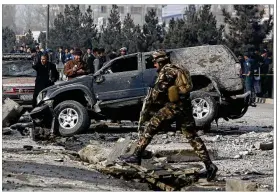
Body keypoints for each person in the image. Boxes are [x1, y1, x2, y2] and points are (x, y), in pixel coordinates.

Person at [119, 50, 218, 181]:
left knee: (150, 127)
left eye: (154, 62)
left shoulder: (166, 72)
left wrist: (151, 102)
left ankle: (136, 156)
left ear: (159, 62)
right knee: (192, 136)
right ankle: (210, 166)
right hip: (186, 106)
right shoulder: (179, 67)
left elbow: (157, 93)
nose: (154, 65)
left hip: (173, 107)